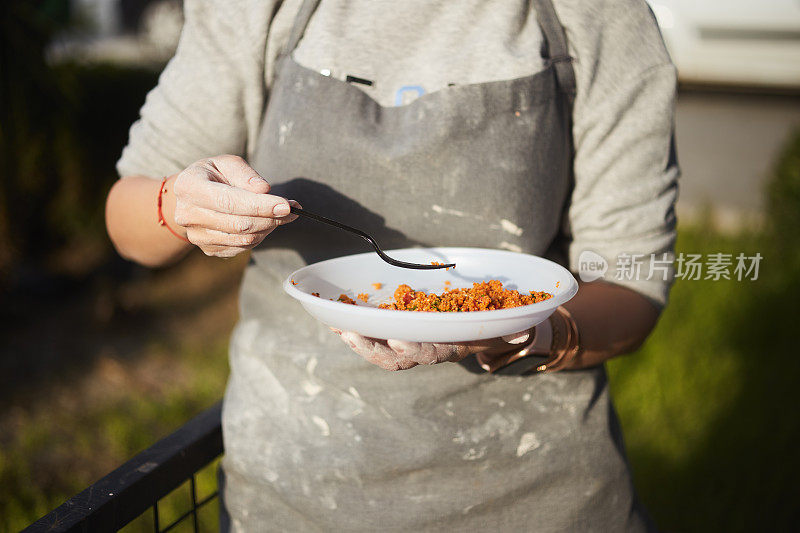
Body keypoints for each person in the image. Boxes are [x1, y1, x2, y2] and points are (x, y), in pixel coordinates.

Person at [105, 0, 678, 530]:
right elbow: (126, 221)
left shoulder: (598, 14)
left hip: (535, 496)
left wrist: (529, 330)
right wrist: (177, 205)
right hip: (294, 493)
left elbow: (631, 284)